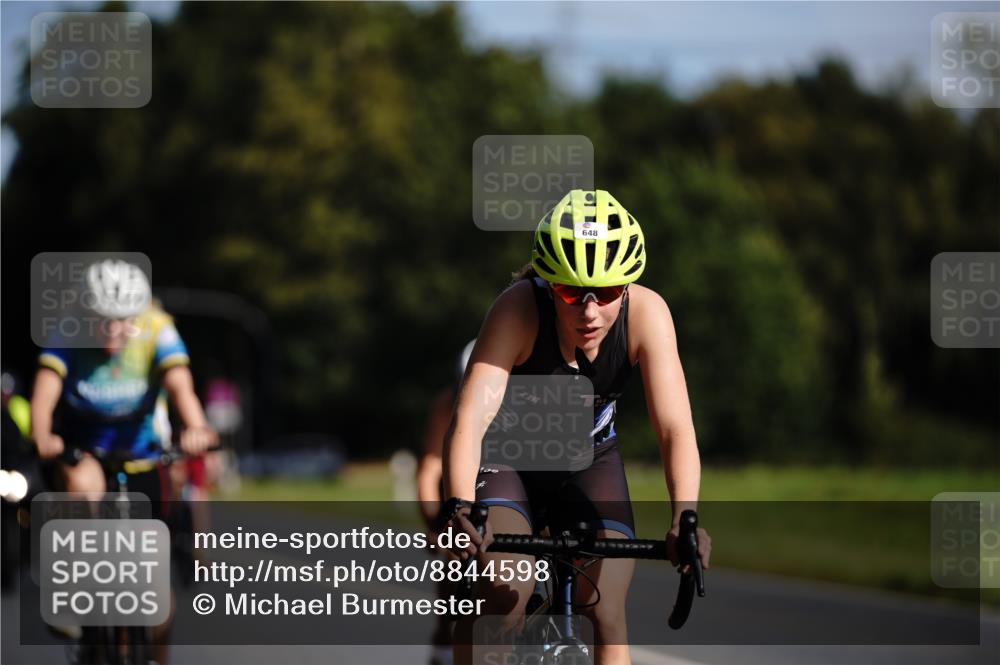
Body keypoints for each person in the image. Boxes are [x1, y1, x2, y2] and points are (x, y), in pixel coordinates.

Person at [441, 190, 712, 665]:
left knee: (604, 610)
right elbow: (470, 419)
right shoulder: (518, 310)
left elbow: (675, 428)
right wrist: (461, 509)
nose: (589, 311)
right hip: (508, 462)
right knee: (504, 596)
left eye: (606, 294)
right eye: (571, 292)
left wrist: (684, 519)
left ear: (627, 287)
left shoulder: (647, 314)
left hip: (590, 462)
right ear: (548, 284)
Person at [30, 259, 217, 664]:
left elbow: (180, 385)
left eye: (123, 321)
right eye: (103, 321)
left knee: (158, 592)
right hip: (87, 449)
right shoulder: (69, 329)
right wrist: (43, 435)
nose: (114, 331)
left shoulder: (156, 328)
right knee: (82, 486)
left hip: (143, 453)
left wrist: (197, 427)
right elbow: (45, 390)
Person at [416, 339, 475, 665]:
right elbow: (429, 469)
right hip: (461, 490)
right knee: (454, 565)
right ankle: (443, 640)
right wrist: (434, 524)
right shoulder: (446, 404)